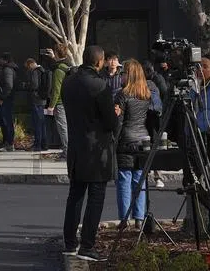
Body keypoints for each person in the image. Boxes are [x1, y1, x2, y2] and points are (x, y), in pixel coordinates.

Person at [61, 45, 117, 264]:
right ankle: (87, 245)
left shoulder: (68, 82)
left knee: (75, 195)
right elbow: (110, 122)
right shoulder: (99, 85)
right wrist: (115, 115)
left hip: (76, 146)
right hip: (96, 150)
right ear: (99, 62)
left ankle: (69, 243)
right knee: (96, 197)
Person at [115, 59, 152, 228]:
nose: (120, 76)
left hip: (126, 139)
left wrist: (113, 142)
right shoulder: (146, 94)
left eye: (123, 73)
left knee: (124, 179)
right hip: (143, 138)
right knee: (139, 179)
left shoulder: (122, 94)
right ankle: (139, 217)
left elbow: (119, 122)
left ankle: (124, 219)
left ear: (129, 75)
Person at [141, 59, 167, 189]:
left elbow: (164, 95)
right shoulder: (155, 81)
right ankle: (157, 177)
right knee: (154, 146)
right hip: (153, 119)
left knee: (150, 147)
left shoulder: (153, 82)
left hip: (150, 119)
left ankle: (154, 176)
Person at [48, 44, 72, 157]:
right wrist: (54, 57)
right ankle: (68, 150)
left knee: (62, 128)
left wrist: (51, 106)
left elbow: (56, 90)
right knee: (67, 127)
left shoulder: (58, 70)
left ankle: (67, 152)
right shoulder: (67, 66)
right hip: (68, 101)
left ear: (57, 53)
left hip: (60, 103)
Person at [26, 57, 49, 152]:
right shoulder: (43, 70)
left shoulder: (35, 71)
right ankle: (44, 144)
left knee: (37, 123)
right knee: (42, 123)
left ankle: (37, 145)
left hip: (36, 100)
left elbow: (34, 85)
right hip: (42, 100)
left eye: (28, 67)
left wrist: (28, 85)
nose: (28, 69)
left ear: (31, 64)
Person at [0, 53, 17, 152]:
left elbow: (8, 86)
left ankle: (9, 143)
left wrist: (2, 97)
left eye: (0, 59)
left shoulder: (7, 70)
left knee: (6, 121)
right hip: (6, 99)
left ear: (5, 60)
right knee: (5, 121)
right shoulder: (7, 69)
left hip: (6, 100)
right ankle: (7, 142)